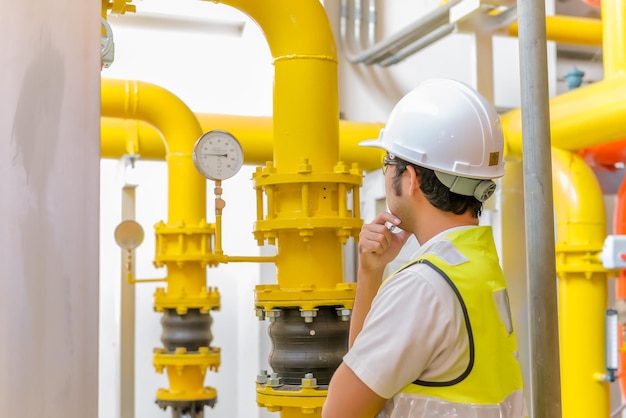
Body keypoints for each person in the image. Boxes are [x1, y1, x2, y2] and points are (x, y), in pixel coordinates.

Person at [322, 78, 527, 418]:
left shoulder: (423, 286)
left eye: (389, 162)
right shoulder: (474, 265)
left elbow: (340, 411)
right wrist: (370, 273)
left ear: (410, 178)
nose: (386, 172)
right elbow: (368, 368)